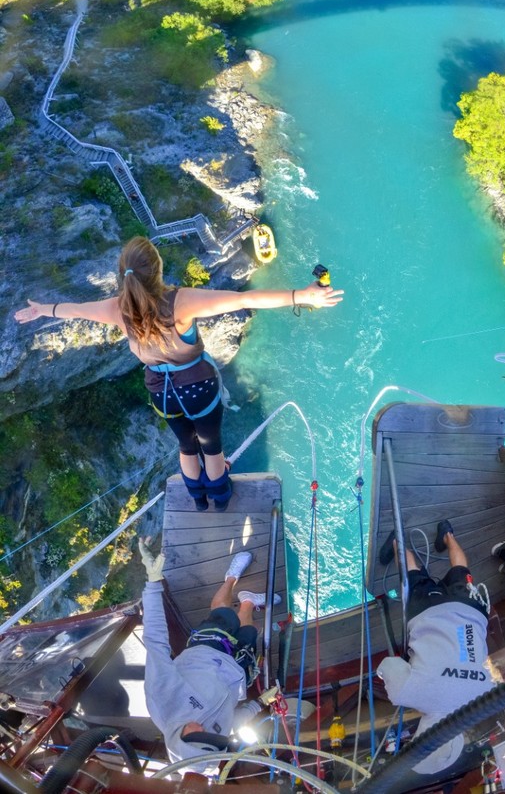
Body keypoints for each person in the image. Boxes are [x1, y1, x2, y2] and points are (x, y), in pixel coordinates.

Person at [14, 236, 344, 511]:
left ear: (123, 276)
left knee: (186, 446)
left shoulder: (119, 309)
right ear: (157, 271)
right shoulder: (179, 303)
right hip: (198, 386)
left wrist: (43, 310)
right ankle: (220, 497)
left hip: (161, 391)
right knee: (211, 445)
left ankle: (199, 501)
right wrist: (303, 295)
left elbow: (76, 311)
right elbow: (242, 299)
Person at [139, 540, 279, 772]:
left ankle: (231, 578)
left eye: (196, 735)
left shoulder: (162, 701)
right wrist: (260, 703)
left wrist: (153, 585)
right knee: (248, 632)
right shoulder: (212, 739)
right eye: (212, 739)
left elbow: (155, 642)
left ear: (177, 742)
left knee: (224, 613)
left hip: (207, 653)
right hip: (238, 674)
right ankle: (248, 601)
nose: (204, 730)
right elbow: (233, 723)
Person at [376, 520, 495, 776]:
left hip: (471, 612)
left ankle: (448, 534)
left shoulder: (486, 697)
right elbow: (388, 665)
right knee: (413, 576)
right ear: (418, 738)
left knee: (461, 570)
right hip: (428, 614)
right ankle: (396, 541)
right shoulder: (408, 694)